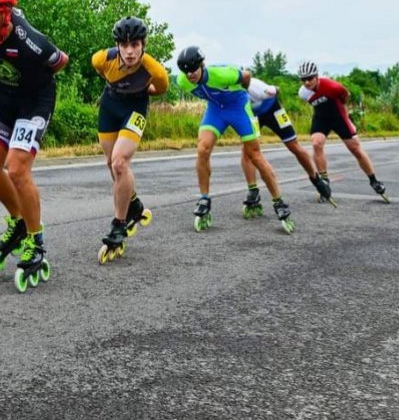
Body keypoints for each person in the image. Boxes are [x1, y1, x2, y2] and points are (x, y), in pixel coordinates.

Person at [0, 0, 69, 292]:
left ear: (6, 12)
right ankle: (18, 222)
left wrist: (33, 79)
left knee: (18, 168)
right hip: (4, 98)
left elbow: (60, 61)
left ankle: (36, 241)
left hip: (36, 101)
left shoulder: (30, 40)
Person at [176, 46, 295, 234]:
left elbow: (247, 76)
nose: (190, 74)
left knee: (254, 155)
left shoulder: (222, 75)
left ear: (202, 64)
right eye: (186, 70)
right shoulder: (182, 81)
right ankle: (204, 198)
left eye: (193, 69)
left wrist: (246, 96)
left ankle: (278, 201)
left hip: (238, 107)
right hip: (216, 110)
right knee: (202, 149)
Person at [91, 17, 169, 263]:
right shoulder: (101, 59)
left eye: (135, 44)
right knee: (109, 164)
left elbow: (160, 88)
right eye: (124, 45)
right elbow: (100, 72)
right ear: (117, 45)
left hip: (135, 108)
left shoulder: (154, 70)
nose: (130, 51)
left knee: (119, 163)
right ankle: (134, 205)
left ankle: (118, 224)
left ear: (143, 44)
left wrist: (139, 91)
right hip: (110, 105)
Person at [297, 61, 389, 202]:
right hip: (321, 118)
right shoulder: (303, 93)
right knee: (316, 144)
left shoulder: (333, 86)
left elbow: (346, 96)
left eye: (310, 78)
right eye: (303, 80)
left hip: (339, 117)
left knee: (356, 149)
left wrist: (344, 114)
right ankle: (325, 181)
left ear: (317, 76)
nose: (307, 82)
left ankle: (374, 180)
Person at [244, 70, 334, 206]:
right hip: (253, 115)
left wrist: (274, 88)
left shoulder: (255, 86)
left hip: (271, 108)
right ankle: (253, 191)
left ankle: (316, 179)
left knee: (293, 145)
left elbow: (275, 90)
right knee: (247, 151)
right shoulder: (226, 94)